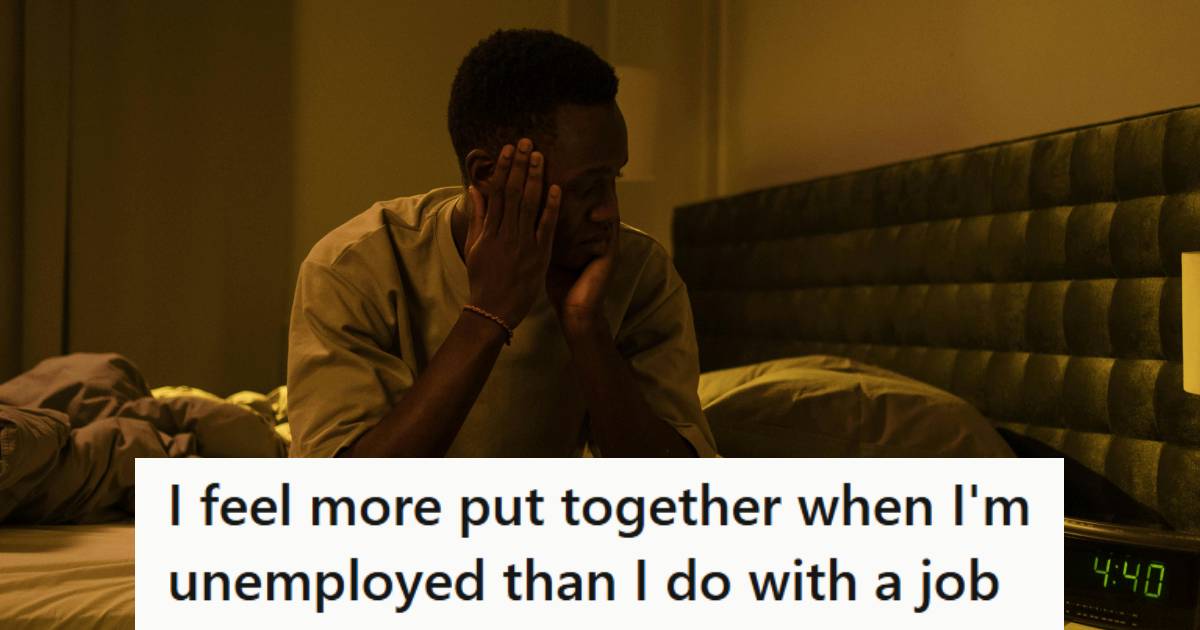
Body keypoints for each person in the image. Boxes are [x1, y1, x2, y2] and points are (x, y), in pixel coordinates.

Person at [286, 29, 715, 458]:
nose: (609, 212)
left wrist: (587, 329)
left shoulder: (638, 271)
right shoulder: (354, 267)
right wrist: (488, 314)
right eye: (586, 188)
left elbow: (679, 491)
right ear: (486, 174)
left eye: (613, 179)